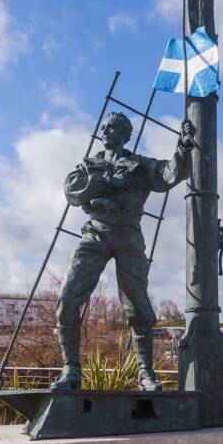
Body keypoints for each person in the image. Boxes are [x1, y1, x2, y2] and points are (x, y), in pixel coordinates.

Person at [52, 111, 195, 391]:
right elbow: (72, 193)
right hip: (95, 233)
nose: (106, 130)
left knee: (138, 305)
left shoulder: (139, 165)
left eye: (114, 127)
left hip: (129, 235)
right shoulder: (89, 164)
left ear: (126, 134)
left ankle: (145, 373)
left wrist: (182, 148)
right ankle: (70, 371)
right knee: (68, 298)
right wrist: (102, 182)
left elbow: (168, 176)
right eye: (104, 126)